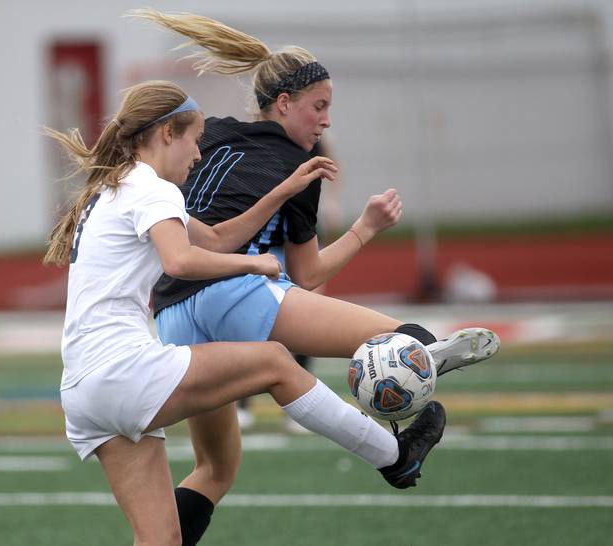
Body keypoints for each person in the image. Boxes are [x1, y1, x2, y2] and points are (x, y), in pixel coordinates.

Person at [129, 9, 501, 544]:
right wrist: (366, 228)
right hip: (234, 290)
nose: (325, 121)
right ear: (284, 103)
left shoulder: (211, 134)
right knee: (405, 336)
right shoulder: (299, 164)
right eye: (319, 107)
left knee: (216, 470)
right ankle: (418, 368)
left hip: (172, 314)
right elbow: (307, 273)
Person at [47, 79, 447, 546]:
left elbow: (214, 238)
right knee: (276, 362)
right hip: (121, 371)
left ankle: (394, 455)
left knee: (161, 540)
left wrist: (281, 192)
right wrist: (253, 263)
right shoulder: (153, 188)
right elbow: (180, 261)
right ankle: (393, 455)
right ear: (166, 134)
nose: (198, 155)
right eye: (194, 141)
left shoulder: (115, 187)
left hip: (83, 390)